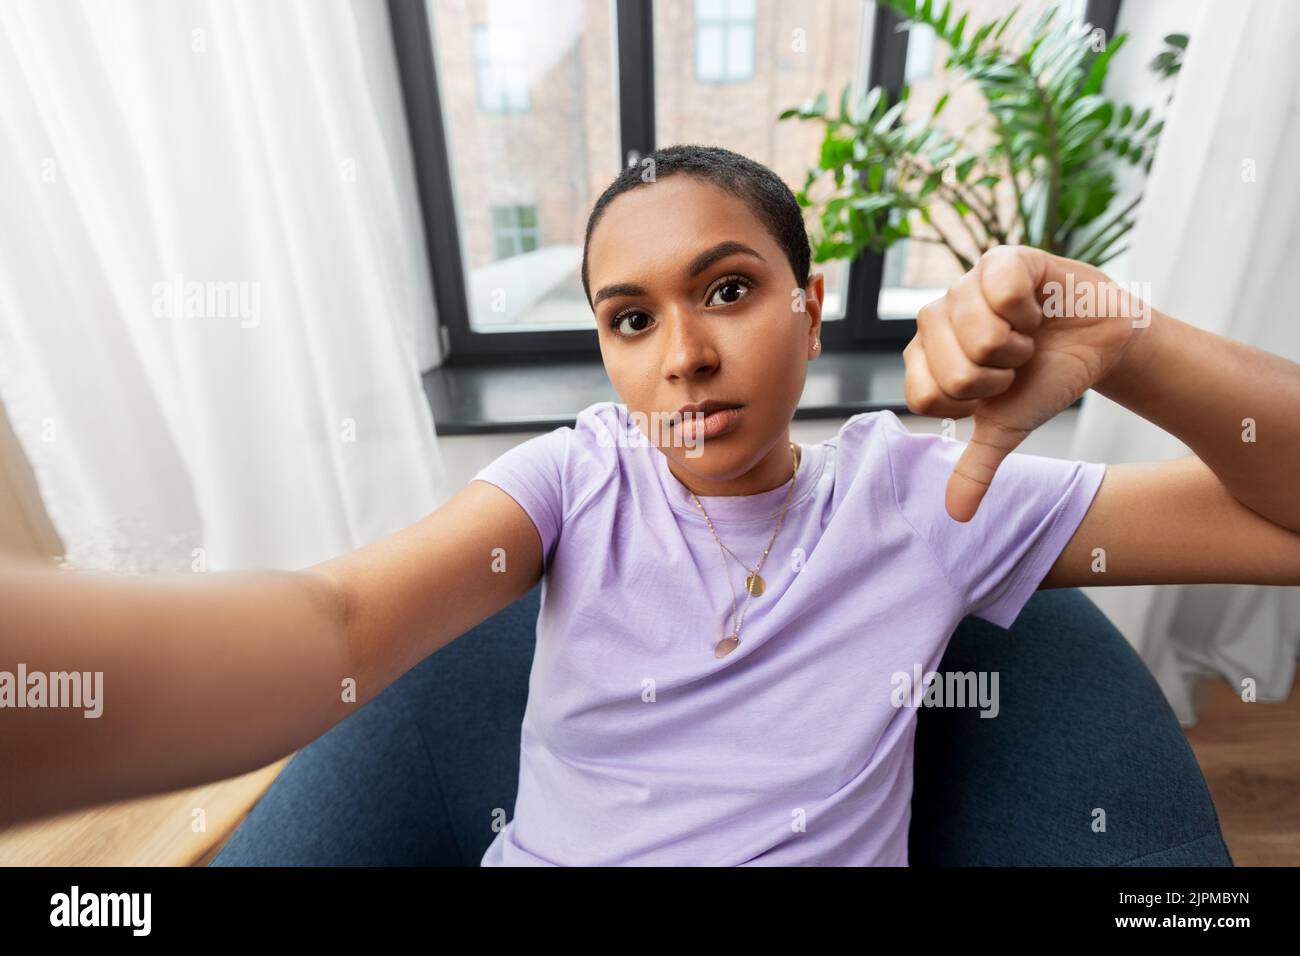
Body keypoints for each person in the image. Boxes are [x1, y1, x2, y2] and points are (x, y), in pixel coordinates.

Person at [2, 145, 1298, 865]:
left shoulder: (924, 496)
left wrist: (1121, 335)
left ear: (807, 299)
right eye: (630, 319)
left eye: (727, 290)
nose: (679, 354)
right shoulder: (579, 477)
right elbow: (335, 629)